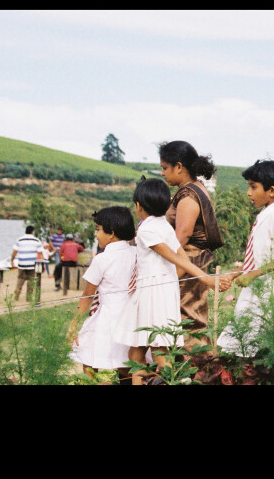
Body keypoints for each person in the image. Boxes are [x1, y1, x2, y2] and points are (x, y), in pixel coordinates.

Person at [113, 178, 227, 385]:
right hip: (163, 292)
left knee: (158, 349)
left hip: (151, 294)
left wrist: (206, 278)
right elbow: (182, 259)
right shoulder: (163, 226)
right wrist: (196, 278)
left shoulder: (147, 230)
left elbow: (175, 258)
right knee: (138, 351)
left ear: (138, 206)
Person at [217, 160, 274, 357]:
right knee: (247, 340)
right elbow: (259, 256)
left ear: (271, 190)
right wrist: (237, 274)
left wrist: (253, 275)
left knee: (263, 345)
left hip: (269, 290)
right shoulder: (265, 214)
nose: (249, 193)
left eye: (253, 187)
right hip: (257, 286)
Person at [159, 140, 224, 348]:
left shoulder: (188, 196)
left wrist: (171, 274)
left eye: (165, 168)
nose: (162, 173)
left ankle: (195, 370)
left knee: (189, 321)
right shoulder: (195, 188)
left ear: (179, 167)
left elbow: (181, 238)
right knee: (192, 319)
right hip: (190, 263)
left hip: (187, 263)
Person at [67, 207, 136, 382]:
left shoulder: (102, 259)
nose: (96, 235)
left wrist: (74, 322)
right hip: (132, 318)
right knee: (128, 364)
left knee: (89, 358)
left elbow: (88, 295)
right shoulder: (137, 254)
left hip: (108, 318)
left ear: (111, 233)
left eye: (98, 230)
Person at [10, 225, 46, 301]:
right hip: (32, 264)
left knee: (20, 278)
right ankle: (28, 298)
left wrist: (12, 260)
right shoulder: (36, 240)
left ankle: (17, 292)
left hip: (22, 263)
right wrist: (43, 264)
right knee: (31, 280)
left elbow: (14, 252)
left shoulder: (19, 240)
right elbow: (40, 254)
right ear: (32, 232)